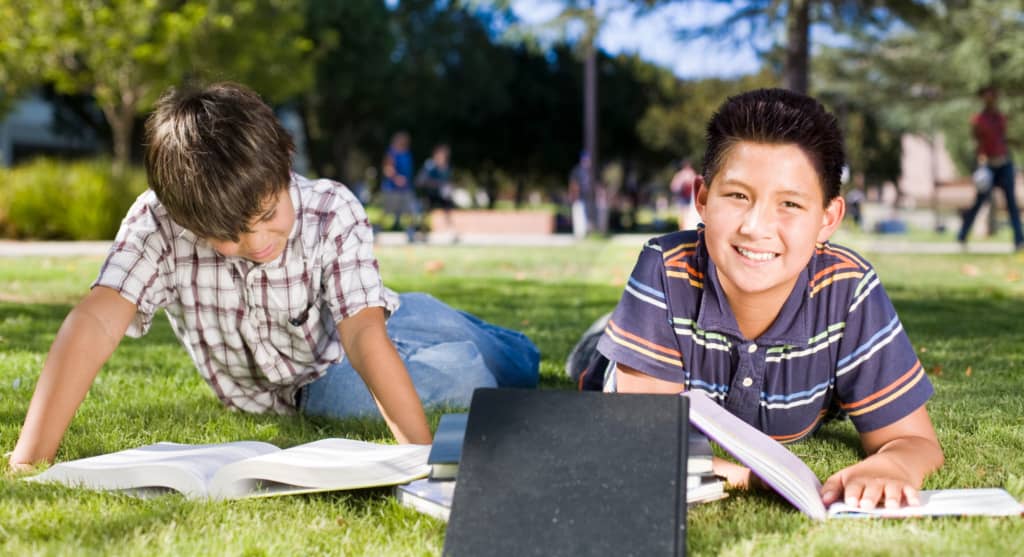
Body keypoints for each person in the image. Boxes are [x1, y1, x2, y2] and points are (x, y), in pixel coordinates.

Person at [9, 82, 540, 470]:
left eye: (267, 215)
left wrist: (416, 460)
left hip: (371, 324)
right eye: (230, 235)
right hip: (316, 382)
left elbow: (363, 333)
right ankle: (485, 360)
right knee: (462, 378)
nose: (258, 243)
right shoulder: (157, 224)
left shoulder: (332, 208)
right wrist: (30, 459)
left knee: (510, 358)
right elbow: (94, 324)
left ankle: (562, 357)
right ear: (187, 218)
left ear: (285, 164)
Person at [570, 88, 943, 511]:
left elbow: (913, 441)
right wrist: (753, 479)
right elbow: (642, 443)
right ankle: (609, 331)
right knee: (566, 357)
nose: (756, 226)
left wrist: (893, 466)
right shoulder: (663, 268)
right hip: (616, 363)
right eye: (738, 196)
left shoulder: (849, 289)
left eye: (789, 203)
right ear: (703, 200)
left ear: (828, 218)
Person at [957, 85, 1023, 250]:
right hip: (987, 166)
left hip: (1004, 164)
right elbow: (977, 142)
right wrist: (981, 164)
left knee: (1011, 203)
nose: (991, 99)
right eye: (987, 96)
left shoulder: (1001, 118)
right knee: (979, 202)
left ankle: (1019, 240)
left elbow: (1004, 140)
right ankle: (962, 236)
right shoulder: (978, 120)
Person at [381, 131, 420, 242]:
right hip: (392, 189)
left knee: (411, 211)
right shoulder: (391, 152)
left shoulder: (407, 153)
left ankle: (410, 232)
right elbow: (387, 169)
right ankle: (376, 230)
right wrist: (396, 178)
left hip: (406, 189)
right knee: (387, 212)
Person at [415, 143, 456, 236]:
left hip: (442, 195)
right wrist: (436, 184)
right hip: (429, 194)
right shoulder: (429, 165)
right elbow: (420, 181)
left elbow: (448, 182)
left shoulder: (447, 167)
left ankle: (452, 231)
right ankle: (421, 231)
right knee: (424, 212)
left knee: (448, 210)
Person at [669, 159, 697, 230]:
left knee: (685, 214)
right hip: (684, 197)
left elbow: (673, 186)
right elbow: (674, 186)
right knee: (684, 214)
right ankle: (683, 229)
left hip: (687, 197)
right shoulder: (687, 174)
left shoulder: (685, 174)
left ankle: (684, 229)